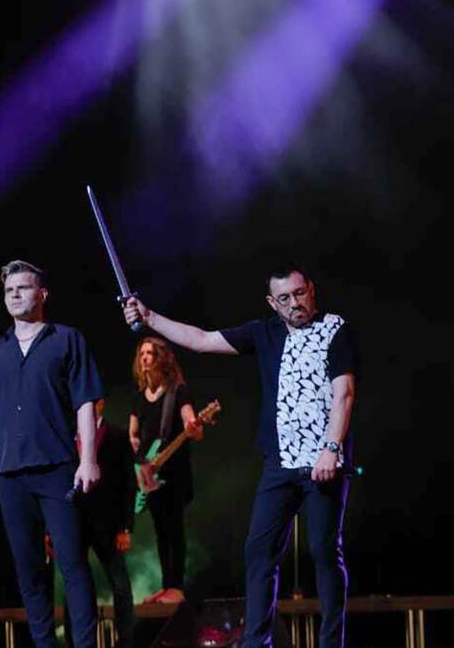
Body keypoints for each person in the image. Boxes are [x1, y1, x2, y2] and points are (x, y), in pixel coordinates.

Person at [123, 265, 357, 647]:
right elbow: (200, 339)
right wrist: (149, 317)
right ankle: (256, 642)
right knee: (259, 550)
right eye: (285, 298)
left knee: (323, 550)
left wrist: (332, 448)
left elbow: (344, 394)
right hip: (280, 463)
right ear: (272, 302)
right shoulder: (264, 332)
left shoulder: (335, 328)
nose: (294, 303)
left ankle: (332, 642)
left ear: (311, 290)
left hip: (323, 463)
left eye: (299, 293)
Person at [0, 260, 103, 648]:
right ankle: (45, 644)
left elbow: (85, 404)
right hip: (9, 473)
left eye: (23, 288)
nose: (15, 295)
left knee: (73, 564)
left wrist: (88, 459)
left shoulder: (66, 339)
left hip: (57, 467)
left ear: (42, 294)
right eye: (9, 290)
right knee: (28, 570)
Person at [128, 337, 202, 604]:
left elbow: (190, 420)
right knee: (161, 530)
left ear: (161, 359)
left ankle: (177, 587)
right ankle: (166, 585)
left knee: (174, 528)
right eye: (142, 353)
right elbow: (133, 435)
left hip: (174, 472)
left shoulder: (177, 392)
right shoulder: (138, 398)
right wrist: (140, 462)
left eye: (151, 353)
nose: (145, 357)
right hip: (149, 473)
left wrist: (194, 426)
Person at [64, 399, 136, 647]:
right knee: (76, 585)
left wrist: (126, 527)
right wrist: (53, 529)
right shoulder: (67, 436)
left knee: (121, 585)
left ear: (102, 404)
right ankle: (78, 640)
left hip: (109, 523)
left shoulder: (116, 435)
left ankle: (126, 640)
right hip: (75, 522)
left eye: (92, 402)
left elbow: (130, 484)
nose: (87, 407)